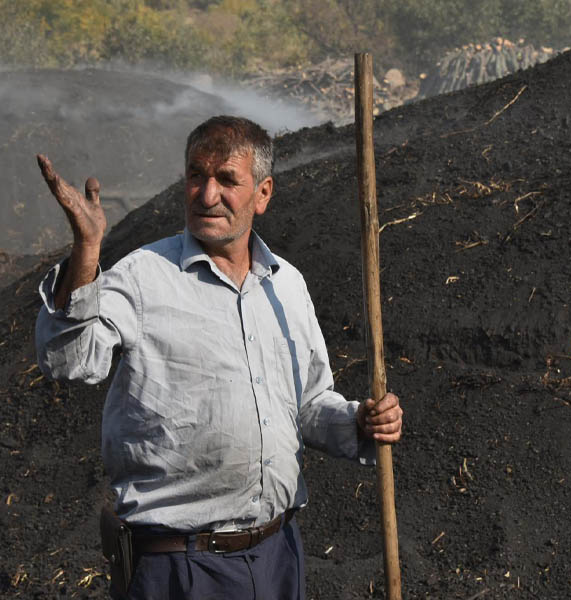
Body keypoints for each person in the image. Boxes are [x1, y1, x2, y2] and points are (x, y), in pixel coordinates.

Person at [34, 115, 403, 600]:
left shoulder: (286, 286)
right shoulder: (145, 277)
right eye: (195, 176)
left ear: (263, 193)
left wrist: (360, 424)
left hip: (277, 555)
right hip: (178, 567)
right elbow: (69, 362)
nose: (207, 195)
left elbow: (309, 403)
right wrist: (86, 250)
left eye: (227, 179)